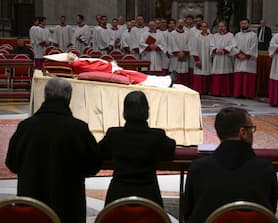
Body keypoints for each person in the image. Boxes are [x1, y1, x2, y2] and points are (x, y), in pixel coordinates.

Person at [5, 78, 101, 223]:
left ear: (45, 95)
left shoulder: (26, 127)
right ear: (69, 97)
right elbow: (93, 166)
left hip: (32, 207)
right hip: (68, 208)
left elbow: (12, 163)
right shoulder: (78, 129)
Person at [184, 107, 278, 223]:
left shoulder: (198, 168)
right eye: (251, 129)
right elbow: (270, 213)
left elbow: (188, 213)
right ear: (243, 132)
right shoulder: (265, 168)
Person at [99, 91, 176, 207]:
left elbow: (100, 151)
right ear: (147, 111)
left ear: (124, 112)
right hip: (149, 196)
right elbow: (170, 150)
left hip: (117, 197)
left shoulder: (113, 134)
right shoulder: (157, 136)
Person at [43, 53, 173, 88]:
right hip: (111, 71)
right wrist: (111, 66)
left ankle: (165, 80)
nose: (71, 53)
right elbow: (95, 66)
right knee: (138, 76)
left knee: (138, 75)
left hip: (111, 69)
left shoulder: (77, 62)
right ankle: (166, 81)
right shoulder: (77, 63)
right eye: (69, 54)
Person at [232, 18, 258, 98]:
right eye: (242, 23)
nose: (243, 25)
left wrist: (246, 56)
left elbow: (253, 47)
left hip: (249, 60)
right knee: (239, 76)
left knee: (248, 76)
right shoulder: (237, 35)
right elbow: (233, 46)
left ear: (248, 24)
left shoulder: (253, 35)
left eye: (245, 23)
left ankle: (248, 94)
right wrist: (238, 54)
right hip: (239, 59)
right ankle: (238, 93)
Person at [210, 21, 236, 96]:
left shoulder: (230, 35)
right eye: (219, 26)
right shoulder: (215, 36)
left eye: (222, 26)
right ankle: (216, 92)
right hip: (217, 58)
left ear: (225, 27)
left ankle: (226, 92)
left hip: (226, 58)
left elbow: (233, 45)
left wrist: (224, 50)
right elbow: (211, 45)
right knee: (217, 74)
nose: (221, 28)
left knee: (226, 74)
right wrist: (216, 50)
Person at [189, 22, 212, 94]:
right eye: (202, 27)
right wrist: (197, 60)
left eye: (205, 27)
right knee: (199, 72)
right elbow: (194, 48)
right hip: (199, 58)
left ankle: (206, 90)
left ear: (207, 28)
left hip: (208, 58)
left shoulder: (212, 36)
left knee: (207, 72)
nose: (204, 28)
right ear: (200, 28)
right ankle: (199, 90)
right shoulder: (197, 37)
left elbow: (213, 47)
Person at [168, 18, 190, 85]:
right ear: (177, 24)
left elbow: (189, 44)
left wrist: (184, 52)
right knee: (175, 72)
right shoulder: (172, 34)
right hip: (175, 57)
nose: (181, 24)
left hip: (184, 56)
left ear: (184, 24)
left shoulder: (187, 34)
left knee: (183, 73)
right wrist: (178, 52)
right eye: (179, 23)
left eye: (182, 23)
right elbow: (171, 44)